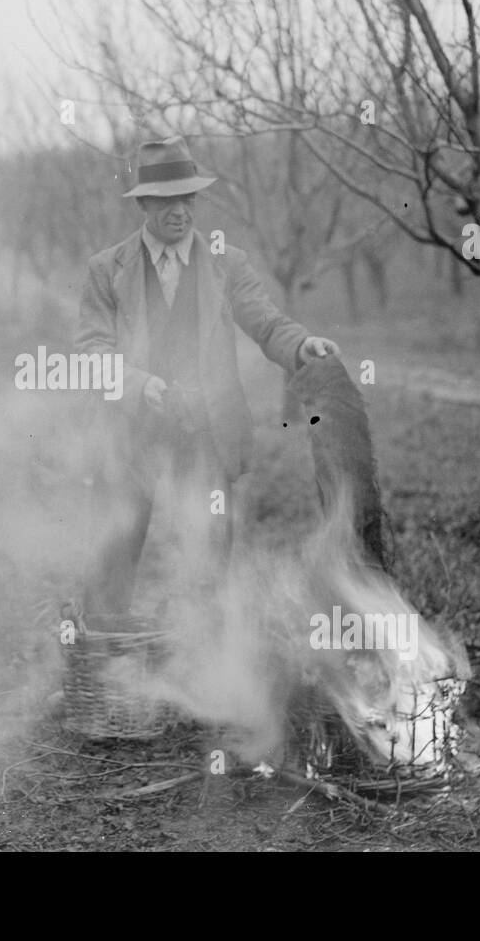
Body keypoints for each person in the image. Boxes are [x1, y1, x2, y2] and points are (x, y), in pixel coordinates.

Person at [74, 135, 339, 630]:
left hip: (206, 435)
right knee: (113, 553)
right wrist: (145, 386)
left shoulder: (226, 262)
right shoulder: (106, 270)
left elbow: (265, 320)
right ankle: (103, 678)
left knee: (209, 555)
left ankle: (206, 675)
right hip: (129, 435)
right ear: (145, 204)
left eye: (188, 198)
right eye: (168, 200)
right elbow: (92, 355)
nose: (180, 210)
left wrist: (301, 347)